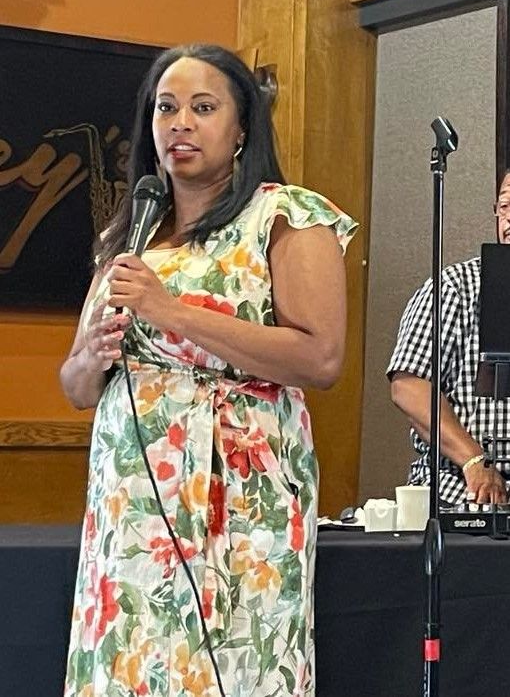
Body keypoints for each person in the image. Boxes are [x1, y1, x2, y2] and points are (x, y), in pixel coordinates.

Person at [61, 44, 357, 697]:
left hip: (237, 498)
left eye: (202, 107)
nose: (179, 124)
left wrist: (171, 312)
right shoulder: (129, 233)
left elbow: (322, 357)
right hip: (130, 503)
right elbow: (77, 388)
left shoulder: (287, 215)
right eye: (166, 108)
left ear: (243, 125)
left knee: (233, 661)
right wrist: (91, 352)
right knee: (134, 661)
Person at [388, 171, 510, 508]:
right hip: (461, 491)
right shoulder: (454, 288)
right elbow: (408, 386)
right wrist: (474, 460)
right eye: (504, 206)